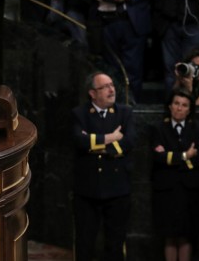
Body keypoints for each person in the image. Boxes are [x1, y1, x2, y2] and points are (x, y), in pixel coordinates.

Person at [71, 71, 136, 261]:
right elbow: (78, 141)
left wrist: (101, 147)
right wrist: (111, 138)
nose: (111, 90)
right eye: (104, 87)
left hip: (117, 189)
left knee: (115, 243)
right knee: (85, 242)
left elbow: (130, 141)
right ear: (92, 93)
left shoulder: (125, 112)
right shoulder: (79, 114)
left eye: (112, 85)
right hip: (87, 190)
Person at [150, 88, 199, 261]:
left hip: (189, 189)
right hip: (166, 189)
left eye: (184, 105)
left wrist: (172, 159)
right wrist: (184, 156)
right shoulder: (158, 128)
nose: (179, 108)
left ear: (189, 109)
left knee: (186, 234)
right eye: (176, 104)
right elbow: (157, 157)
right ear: (170, 106)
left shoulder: (198, 128)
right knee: (169, 234)